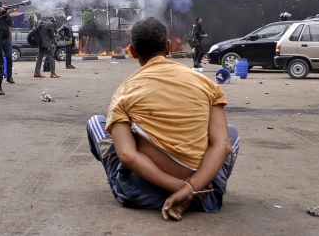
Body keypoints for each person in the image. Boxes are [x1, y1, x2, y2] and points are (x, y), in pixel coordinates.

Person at [86, 17, 239, 221]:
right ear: (168, 47)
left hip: (140, 193)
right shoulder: (206, 84)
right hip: (204, 194)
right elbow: (223, 146)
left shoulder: (124, 92)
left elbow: (128, 156)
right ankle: (199, 186)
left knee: (97, 123)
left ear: (132, 51)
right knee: (229, 133)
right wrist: (190, 187)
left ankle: (174, 190)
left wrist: (179, 187)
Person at [0, 0, 15, 83]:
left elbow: (9, 28)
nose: (4, 7)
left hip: (6, 39)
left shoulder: (7, 16)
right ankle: (0, 76)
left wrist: (10, 40)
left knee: (9, 58)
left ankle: (9, 76)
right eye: (2, 5)